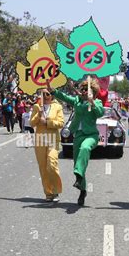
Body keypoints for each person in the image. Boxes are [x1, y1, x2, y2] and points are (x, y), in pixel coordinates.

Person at [47, 78, 104, 206]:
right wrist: (53, 90)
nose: (83, 91)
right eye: (82, 89)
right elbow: (65, 97)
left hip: (91, 135)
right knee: (78, 164)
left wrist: (92, 102)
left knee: (85, 149)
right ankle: (82, 190)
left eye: (86, 90)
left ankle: (78, 176)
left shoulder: (97, 102)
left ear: (93, 93)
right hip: (78, 135)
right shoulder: (77, 101)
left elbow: (100, 113)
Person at [30, 89, 64, 202]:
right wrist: (38, 115)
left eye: (47, 94)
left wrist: (47, 122)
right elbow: (31, 123)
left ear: (51, 95)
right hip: (40, 140)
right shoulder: (36, 107)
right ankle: (48, 193)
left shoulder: (57, 107)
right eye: (42, 94)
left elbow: (61, 123)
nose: (45, 96)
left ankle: (56, 191)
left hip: (52, 140)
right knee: (43, 167)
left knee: (52, 164)